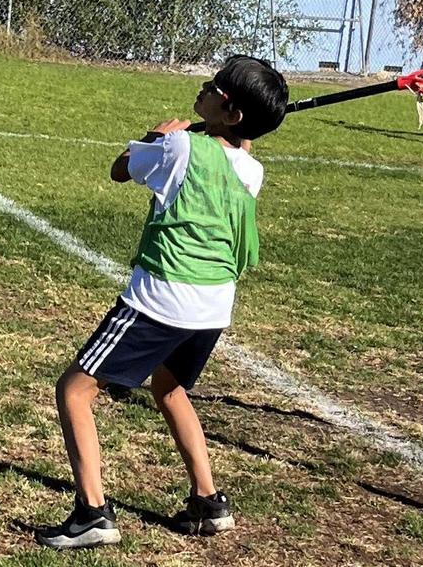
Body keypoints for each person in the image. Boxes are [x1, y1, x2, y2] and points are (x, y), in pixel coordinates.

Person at [36, 55, 288, 548]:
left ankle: (92, 514)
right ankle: (208, 501)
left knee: (74, 390)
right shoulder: (251, 170)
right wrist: (219, 132)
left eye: (215, 87)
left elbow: (119, 170)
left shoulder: (178, 146)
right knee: (169, 388)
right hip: (214, 306)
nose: (205, 86)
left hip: (162, 299)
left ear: (232, 113)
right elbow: (232, 152)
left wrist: (155, 136)